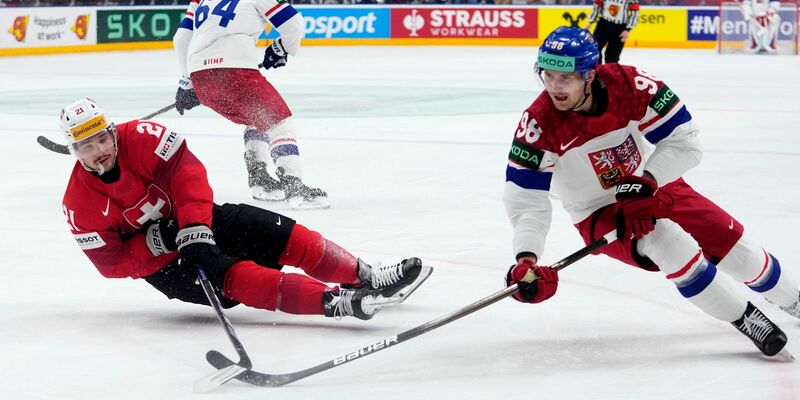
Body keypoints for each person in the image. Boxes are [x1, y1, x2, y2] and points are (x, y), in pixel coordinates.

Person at [503, 27, 800, 358]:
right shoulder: (538, 125)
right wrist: (526, 259)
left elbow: (685, 141)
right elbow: (527, 202)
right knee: (667, 241)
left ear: (589, 75)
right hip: (597, 210)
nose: (554, 87)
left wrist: (648, 179)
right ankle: (746, 318)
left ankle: (795, 300)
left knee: (738, 252)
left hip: (653, 184)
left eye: (566, 78)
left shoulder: (629, 84)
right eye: (548, 75)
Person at [58, 98, 432, 320]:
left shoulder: (143, 137)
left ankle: (365, 276)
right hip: (164, 265)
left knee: (279, 231)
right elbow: (111, 264)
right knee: (233, 274)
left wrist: (193, 228)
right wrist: (157, 243)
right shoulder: (78, 204)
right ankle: (337, 303)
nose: (99, 151)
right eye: (86, 146)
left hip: (198, 220)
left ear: (112, 130)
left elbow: (188, 176)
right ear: (74, 151)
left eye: (101, 139)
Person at [172, 0, 329, 209]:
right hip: (235, 70)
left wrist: (187, 83)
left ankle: (260, 180)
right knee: (279, 122)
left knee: (258, 118)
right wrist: (281, 48)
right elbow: (293, 23)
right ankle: (294, 186)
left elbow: (181, 39)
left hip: (201, 77)